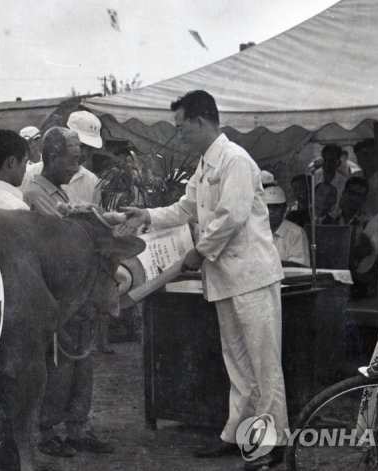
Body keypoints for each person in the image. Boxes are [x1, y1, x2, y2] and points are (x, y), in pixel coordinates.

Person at [122, 90, 286, 470]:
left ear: (200, 121)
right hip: (226, 278)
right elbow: (185, 208)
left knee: (264, 364)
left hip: (252, 277)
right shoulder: (204, 165)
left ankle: (273, 442)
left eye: (181, 128)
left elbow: (232, 216)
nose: (179, 135)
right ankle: (238, 433)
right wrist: (146, 215)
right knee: (238, 363)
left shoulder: (236, 160)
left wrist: (199, 251)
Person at [22, 127, 114, 457]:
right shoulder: (36, 193)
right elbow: (63, 236)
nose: (78, 167)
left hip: (76, 290)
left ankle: (78, 427)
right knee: (58, 363)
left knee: (81, 360)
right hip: (56, 293)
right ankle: (47, 430)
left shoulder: (57, 192)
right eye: (73, 160)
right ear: (52, 157)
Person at [23, 111, 103, 206]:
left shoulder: (92, 182)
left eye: (90, 149)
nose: (84, 154)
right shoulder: (30, 174)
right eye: (81, 146)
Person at [265, 185, 309, 267]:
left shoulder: (296, 233)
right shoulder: (255, 231)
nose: (271, 212)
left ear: (284, 209)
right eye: (268, 207)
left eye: (276, 207)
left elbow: (298, 267)